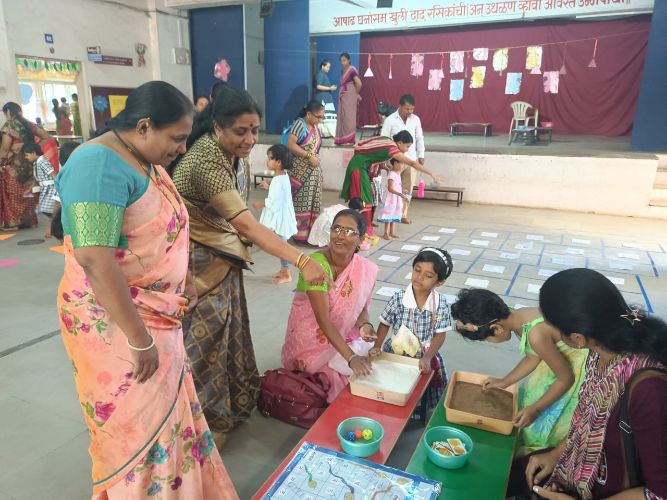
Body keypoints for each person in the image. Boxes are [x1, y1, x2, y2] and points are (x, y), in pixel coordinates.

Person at [54, 80, 238, 498]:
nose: (182, 148)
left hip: (158, 314)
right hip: (116, 324)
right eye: (175, 138)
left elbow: (163, 227)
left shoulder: (143, 160)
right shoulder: (96, 166)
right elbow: (95, 260)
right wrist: (139, 340)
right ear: (143, 127)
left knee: (169, 415)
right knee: (135, 426)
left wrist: (184, 279)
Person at [171, 85, 327, 440]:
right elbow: (245, 224)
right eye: (241, 131)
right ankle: (202, 427)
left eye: (254, 130)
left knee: (229, 336)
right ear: (217, 127)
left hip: (222, 256)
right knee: (204, 347)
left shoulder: (232, 155)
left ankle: (230, 406)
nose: (250, 139)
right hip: (195, 265)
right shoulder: (206, 159)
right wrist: (302, 259)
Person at [511, 268, 667, 500]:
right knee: (509, 474)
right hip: (581, 471)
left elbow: (659, 494)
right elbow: (586, 423)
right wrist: (555, 455)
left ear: (577, 339)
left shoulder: (648, 389)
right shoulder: (598, 356)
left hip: (611, 489)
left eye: (551, 325)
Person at [450, 288, 588, 458]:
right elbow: (532, 356)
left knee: (551, 422)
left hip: (577, 373)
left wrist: (536, 409)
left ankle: (549, 455)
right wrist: (504, 382)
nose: (490, 342)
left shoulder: (535, 334)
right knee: (533, 403)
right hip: (557, 364)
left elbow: (566, 379)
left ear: (497, 328)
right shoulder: (518, 316)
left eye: (487, 339)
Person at [282, 209, 379, 402]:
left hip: (342, 332)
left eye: (350, 231)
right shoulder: (316, 264)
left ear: (361, 240)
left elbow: (360, 309)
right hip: (311, 338)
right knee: (342, 381)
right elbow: (322, 319)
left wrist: (364, 325)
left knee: (373, 364)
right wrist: (351, 358)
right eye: (337, 228)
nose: (341, 235)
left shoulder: (363, 268)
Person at [368, 248, 453, 409]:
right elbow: (385, 323)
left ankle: (416, 407)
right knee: (394, 383)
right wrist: (377, 345)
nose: (419, 278)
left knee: (420, 388)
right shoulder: (399, 298)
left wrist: (428, 357)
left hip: (424, 355)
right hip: (396, 350)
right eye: (417, 270)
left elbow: (440, 335)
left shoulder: (440, 303)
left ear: (439, 282)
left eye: (428, 276)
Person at [340, 131, 440, 233]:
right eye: (407, 146)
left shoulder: (388, 143)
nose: (407, 150)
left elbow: (373, 157)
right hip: (359, 168)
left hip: (361, 168)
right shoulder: (391, 148)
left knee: (365, 200)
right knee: (364, 201)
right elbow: (412, 163)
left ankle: (360, 230)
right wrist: (430, 172)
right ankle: (364, 231)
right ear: (400, 143)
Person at [1, 102, 59, 229]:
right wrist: (33, 149)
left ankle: (14, 222)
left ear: (9, 112)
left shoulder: (10, 125)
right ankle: (29, 220)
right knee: (28, 189)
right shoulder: (28, 124)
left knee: (12, 189)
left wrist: (2, 160)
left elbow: (5, 148)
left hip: (15, 163)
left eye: (5, 113)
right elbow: (47, 137)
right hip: (29, 161)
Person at [253, 144, 297, 284]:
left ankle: (287, 273)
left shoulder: (278, 180)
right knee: (280, 243)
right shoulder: (283, 176)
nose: (268, 161)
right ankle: (284, 270)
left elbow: (274, 202)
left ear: (278, 162)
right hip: (282, 215)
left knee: (281, 245)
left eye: (270, 158)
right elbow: (279, 194)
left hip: (279, 218)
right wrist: (268, 186)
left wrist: (260, 204)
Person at [380, 94, 426, 224]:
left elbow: (419, 138)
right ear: (400, 106)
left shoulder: (416, 119)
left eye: (412, 109)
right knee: (394, 187)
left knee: (407, 189)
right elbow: (384, 139)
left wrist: (421, 154)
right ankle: (391, 214)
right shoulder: (390, 120)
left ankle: (403, 214)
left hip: (411, 159)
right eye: (407, 109)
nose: (410, 112)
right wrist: (385, 159)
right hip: (395, 161)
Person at [285, 100, 325, 243]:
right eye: (318, 117)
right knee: (302, 203)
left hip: (313, 173)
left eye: (322, 117)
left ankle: (310, 235)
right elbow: (290, 144)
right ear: (308, 114)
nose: (320, 120)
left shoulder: (315, 128)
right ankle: (298, 235)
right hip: (300, 171)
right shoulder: (300, 124)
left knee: (313, 203)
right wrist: (308, 156)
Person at [334, 52, 362, 145]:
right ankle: (343, 139)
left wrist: (355, 94)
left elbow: (359, 83)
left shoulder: (352, 69)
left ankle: (349, 139)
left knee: (349, 117)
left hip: (350, 95)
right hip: (343, 95)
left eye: (344, 60)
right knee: (343, 117)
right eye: (341, 61)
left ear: (349, 60)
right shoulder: (343, 71)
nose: (342, 62)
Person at [377, 158, 408, 240]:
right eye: (402, 163)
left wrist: (402, 190)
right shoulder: (392, 174)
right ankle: (386, 233)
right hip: (390, 198)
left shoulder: (398, 174)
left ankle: (392, 232)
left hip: (396, 198)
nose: (403, 166)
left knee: (394, 214)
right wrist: (400, 193)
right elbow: (390, 188)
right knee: (388, 215)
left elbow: (397, 186)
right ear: (395, 163)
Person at [22, 143, 56, 218]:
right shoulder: (36, 164)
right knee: (46, 210)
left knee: (47, 210)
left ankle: (58, 223)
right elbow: (37, 179)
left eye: (27, 155)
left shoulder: (43, 162)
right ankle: (56, 222)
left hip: (50, 190)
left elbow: (53, 175)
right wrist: (29, 189)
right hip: (45, 190)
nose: (25, 157)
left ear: (33, 153)